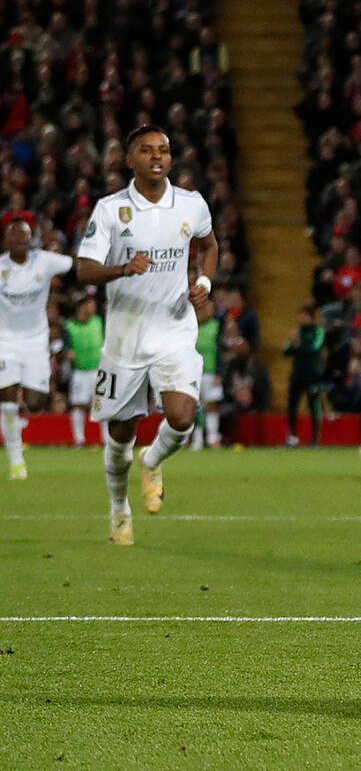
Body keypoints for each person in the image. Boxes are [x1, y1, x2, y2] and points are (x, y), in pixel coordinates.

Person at [75, 124, 218, 546]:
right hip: (125, 338)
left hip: (174, 328)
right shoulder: (110, 210)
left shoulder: (190, 205)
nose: (157, 157)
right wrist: (122, 268)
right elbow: (83, 268)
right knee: (120, 435)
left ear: (171, 159)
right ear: (130, 160)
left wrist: (204, 284)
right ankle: (119, 509)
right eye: (147, 150)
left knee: (181, 416)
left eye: (164, 150)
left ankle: (152, 461)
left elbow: (209, 246)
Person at [0, 213, 75, 477]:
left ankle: (20, 418)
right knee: (7, 397)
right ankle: (16, 460)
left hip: (36, 342)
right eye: (15, 234)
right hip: (5, 341)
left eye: (24, 234)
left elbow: (75, 264)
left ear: (31, 238)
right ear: (6, 240)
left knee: (35, 403)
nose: (20, 239)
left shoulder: (44, 261)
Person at [65, 291, 105, 448]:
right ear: (81, 306)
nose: (93, 306)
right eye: (89, 303)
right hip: (80, 371)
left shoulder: (98, 322)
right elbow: (65, 347)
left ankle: (105, 439)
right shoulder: (69, 326)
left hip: (98, 370)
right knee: (78, 404)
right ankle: (79, 439)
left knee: (101, 404)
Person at [284, 305, 326, 446]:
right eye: (301, 315)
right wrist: (293, 344)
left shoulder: (318, 331)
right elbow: (286, 350)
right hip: (297, 373)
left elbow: (315, 347)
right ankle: (293, 437)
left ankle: (315, 439)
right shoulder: (298, 331)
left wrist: (298, 345)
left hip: (313, 374)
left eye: (305, 315)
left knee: (313, 405)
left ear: (312, 317)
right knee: (292, 406)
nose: (302, 318)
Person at [192, 295, 223, 450]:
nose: (208, 311)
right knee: (195, 406)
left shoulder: (216, 326)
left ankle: (213, 437)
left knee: (211, 404)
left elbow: (221, 350)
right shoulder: (191, 326)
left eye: (211, 308)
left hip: (211, 371)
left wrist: (219, 372)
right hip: (193, 371)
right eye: (205, 308)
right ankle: (197, 440)